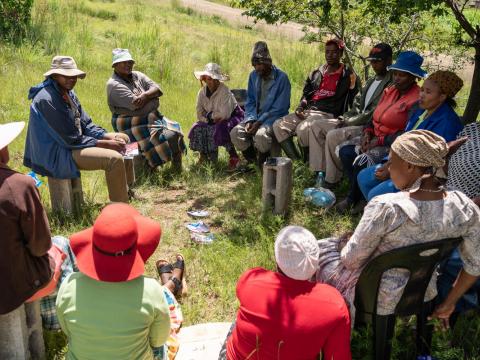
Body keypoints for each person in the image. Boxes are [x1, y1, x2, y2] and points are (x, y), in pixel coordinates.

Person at [316, 130, 480, 323]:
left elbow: (351, 261)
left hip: (375, 294)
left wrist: (344, 243)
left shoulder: (388, 207)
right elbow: (475, 264)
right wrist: (449, 303)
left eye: (392, 162)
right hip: (423, 291)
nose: (388, 169)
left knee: (316, 251)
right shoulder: (464, 208)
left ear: (410, 166)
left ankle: (323, 322)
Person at [56, 203, 176, 359]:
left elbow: (67, 330)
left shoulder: (69, 287)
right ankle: (174, 282)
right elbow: (158, 339)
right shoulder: (151, 290)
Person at [221, 226, 351, 360]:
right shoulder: (334, 303)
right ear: (316, 261)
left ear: (278, 260)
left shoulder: (251, 280)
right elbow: (338, 356)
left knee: (237, 320)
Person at [24, 55, 132, 203]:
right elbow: (69, 138)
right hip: (57, 152)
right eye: (66, 76)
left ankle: (127, 189)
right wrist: (105, 143)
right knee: (114, 159)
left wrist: (106, 136)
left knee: (124, 139)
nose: (72, 79)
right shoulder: (47, 98)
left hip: (71, 143)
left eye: (74, 76)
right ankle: (120, 206)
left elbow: (85, 124)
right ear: (55, 76)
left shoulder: (68, 93)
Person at [336, 51, 425, 213]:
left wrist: (379, 141)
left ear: (414, 77)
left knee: (362, 160)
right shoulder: (390, 90)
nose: (397, 78)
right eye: (395, 73)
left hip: (391, 144)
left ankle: (352, 199)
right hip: (374, 136)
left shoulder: (417, 100)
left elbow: (406, 134)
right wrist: (367, 133)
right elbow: (375, 115)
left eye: (402, 75)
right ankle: (358, 193)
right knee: (346, 151)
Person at [358, 70, 464, 201]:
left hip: (419, 175)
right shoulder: (420, 110)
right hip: (401, 164)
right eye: (422, 90)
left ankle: (386, 213)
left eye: (428, 92)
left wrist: (392, 170)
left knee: (375, 194)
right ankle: (378, 211)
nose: (421, 95)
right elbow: (404, 140)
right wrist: (389, 164)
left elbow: (431, 161)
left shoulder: (448, 123)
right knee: (363, 177)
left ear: (442, 97)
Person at [273, 38, 360, 170]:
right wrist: (300, 106)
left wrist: (347, 117)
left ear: (341, 54)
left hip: (328, 114)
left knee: (303, 129)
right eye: (327, 52)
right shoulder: (317, 72)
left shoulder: (348, 75)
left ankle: (311, 166)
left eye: (334, 52)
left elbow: (355, 100)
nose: (330, 55)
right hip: (309, 111)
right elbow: (306, 94)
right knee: (278, 125)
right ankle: (298, 163)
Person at [323, 43, 394, 186]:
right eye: (371, 61)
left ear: (389, 61)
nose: (373, 65)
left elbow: (372, 113)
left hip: (366, 125)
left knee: (332, 135)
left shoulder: (391, 83)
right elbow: (356, 103)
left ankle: (333, 180)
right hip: (356, 120)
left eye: (377, 61)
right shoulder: (371, 80)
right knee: (321, 128)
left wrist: (349, 122)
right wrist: (345, 117)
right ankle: (327, 173)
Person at [107, 49, 185, 171]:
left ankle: (176, 168)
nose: (128, 65)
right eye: (124, 62)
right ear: (115, 65)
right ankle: (149, 167)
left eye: (130, 62)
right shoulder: (114, 85)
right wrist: (154, 99)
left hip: (148, 118)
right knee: (152, 140)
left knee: (174, 130)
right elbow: (138, 107)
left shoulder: (137, 75)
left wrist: (145, 96)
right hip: (128, 123)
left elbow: (158, 89)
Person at [435, 122, 480, 325]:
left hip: (470, 211)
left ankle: (454, 311)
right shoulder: (472, 129)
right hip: (453, 198)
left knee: (455, 260)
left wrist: (464, 212)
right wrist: (446, 154)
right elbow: (448, 169)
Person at [230, 41, 291, 167]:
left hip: (274, 118)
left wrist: (259, 122)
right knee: (236, 133)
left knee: (261, 135)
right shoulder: (253, 76)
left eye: (260, 64)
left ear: (268, 62)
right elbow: (250, 101)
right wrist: (250, 120)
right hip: (255, 117)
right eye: (255, 65)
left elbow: (280, 108)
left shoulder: (282, 78)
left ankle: (262, 164)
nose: (257, 68)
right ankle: (253, 164)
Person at [188, 63, 243, 170]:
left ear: (218, 80)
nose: (211, 82)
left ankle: (234, 157)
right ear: (204, 79)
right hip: (213, 119)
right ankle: (204, 156)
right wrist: (208, 119)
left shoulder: (224, 91)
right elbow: (199, 113)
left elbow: (225, 114)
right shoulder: (201, 93)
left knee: (221, 127)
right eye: (208, 79)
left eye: (214, 79)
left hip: (233, 117)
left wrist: (209, 116)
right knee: (197, 127)